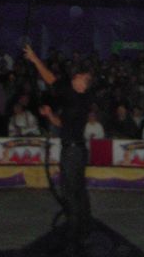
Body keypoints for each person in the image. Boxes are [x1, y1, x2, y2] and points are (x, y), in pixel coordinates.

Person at [24, 43, 93, 253]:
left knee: (70, 193)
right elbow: (62, 123)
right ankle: (83, 230)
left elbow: (51, 79)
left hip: (73, 152)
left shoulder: (77, 96)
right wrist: (50, 115)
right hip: (76, 149)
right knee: (78, 191)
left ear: (83, 84)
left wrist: (35, 60)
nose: (75, 78)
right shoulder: (76, 100)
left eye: (80, 77)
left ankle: (74, 235)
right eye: (77, 76)